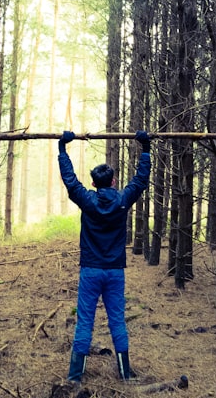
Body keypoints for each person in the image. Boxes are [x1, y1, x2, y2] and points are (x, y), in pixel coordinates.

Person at [58, 129, 151, 383]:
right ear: (112, 182)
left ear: (94, 184)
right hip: (114, 272)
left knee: (84, 322)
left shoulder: (88, 200)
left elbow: (69, 180)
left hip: (90, 271)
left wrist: (62, 149)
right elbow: (141, 180)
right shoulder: (122, 199)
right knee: (117, 321)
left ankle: (75, 377)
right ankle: (124, 373)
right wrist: (146, 149)